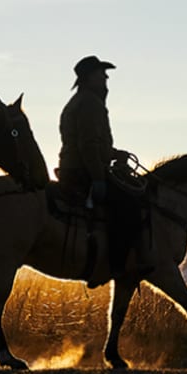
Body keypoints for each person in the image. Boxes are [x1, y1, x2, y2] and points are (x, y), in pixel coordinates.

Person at [56, 55, 146, 279]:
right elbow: (88, 145)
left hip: (75, 166)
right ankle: (118, 266)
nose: (106, 78)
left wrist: (114, 154)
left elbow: (90, 143)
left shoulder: (80, 102)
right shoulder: (90, 104)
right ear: (89, 78)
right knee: (128, 204)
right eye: (101, 73)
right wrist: (98, 177)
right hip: (84, 170)